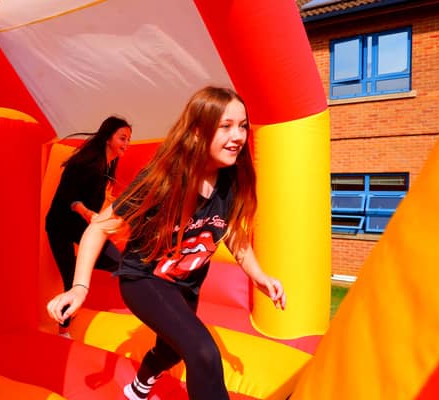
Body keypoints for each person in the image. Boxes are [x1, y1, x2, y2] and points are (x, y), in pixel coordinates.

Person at [46, 87, 286, 400]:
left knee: (171, 350)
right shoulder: (163, 179)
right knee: (203, 352)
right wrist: (80, 288)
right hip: (145, 278)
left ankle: (138, 388)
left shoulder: (231, 180)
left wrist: (260, 277)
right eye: (225, 126)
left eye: (242, 126)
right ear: (199, 131)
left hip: (186, 284)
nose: (238, 135)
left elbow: (236, 238)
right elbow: (98, 229)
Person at [45, 116, 132, 337]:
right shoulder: (86, 163)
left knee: (116, 261)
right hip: (60, 226)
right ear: (108, 137)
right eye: (122, 138)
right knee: (71, 277)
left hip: (80, 227)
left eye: (128, 140)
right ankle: (62, 333)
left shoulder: (106, 166)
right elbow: (69, 196)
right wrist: (86, 212)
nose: (126, 144)